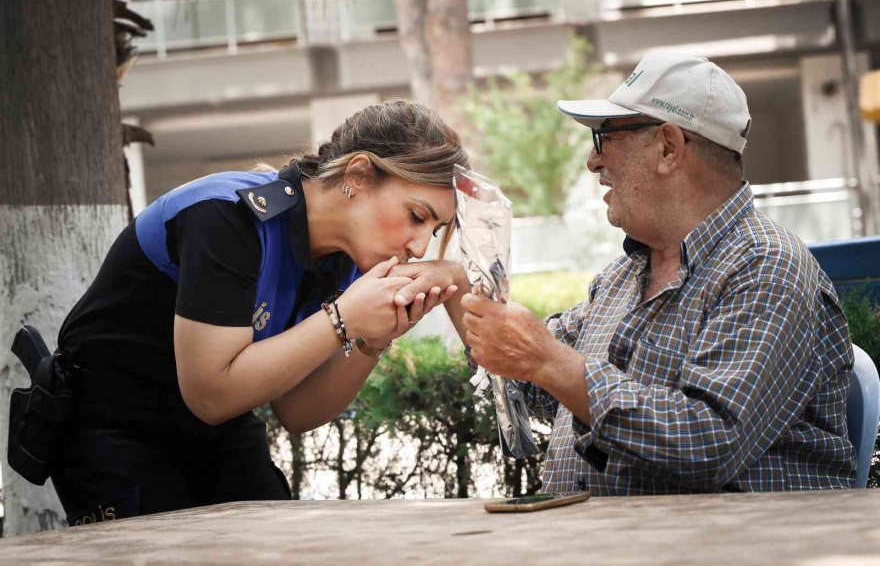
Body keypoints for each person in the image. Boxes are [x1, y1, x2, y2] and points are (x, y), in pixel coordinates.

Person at [400, 51, 858, 494]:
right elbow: (533, 384)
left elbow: (709, 443)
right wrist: (461, 287)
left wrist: (548, 360)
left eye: (605, 136)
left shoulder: (767, 267)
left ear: (667, 146)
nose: (593, 161)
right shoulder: (626, 274)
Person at [48, 100, 469, 525]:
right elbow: (210, 394)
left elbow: (297, 413)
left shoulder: (345, 257)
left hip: (221, 429)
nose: (419, 247)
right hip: (114, 430)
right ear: (357, 175)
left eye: (433, 231)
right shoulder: (225, 217)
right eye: (416, 216)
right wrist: (343, 319)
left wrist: (373, 337)